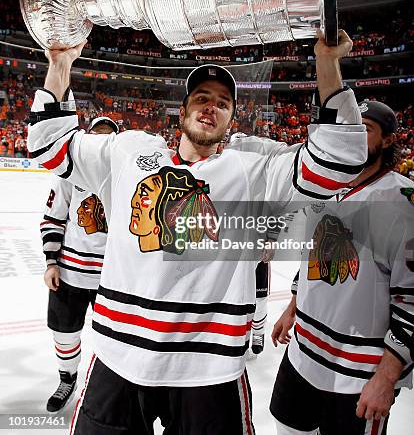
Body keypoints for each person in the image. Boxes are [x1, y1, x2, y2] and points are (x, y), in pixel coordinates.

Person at [27, 30, 367, 435]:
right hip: (119, 356)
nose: (211, 107)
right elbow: (49, 146)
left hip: (210, 370)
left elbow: (339, 159)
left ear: (231, 119)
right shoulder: (129, 150)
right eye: (202, 98)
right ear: (183, 109)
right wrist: (60, 63)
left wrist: (327, 66)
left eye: (223, 103)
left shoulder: (253, 167)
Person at [270, 101, 414, 435]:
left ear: (389, 140)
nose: (353, 136)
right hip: (302, 352)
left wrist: (386, 377)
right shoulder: (327, 185)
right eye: (349, 127)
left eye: (364, 128)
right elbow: (315, 255)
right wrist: (293, 306)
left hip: (360, 373)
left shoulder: (403, 202)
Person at [41, 117, 119, 412]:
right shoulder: (67, 174)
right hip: (70, 272)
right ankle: (67, 379)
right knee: (64, 331)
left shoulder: (125, 176)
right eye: (96, 134)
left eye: (107, 136)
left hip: (111, 276)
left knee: (112, 339)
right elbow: (53, 218)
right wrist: (51, 262)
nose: (101, 140)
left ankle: (103, 389)